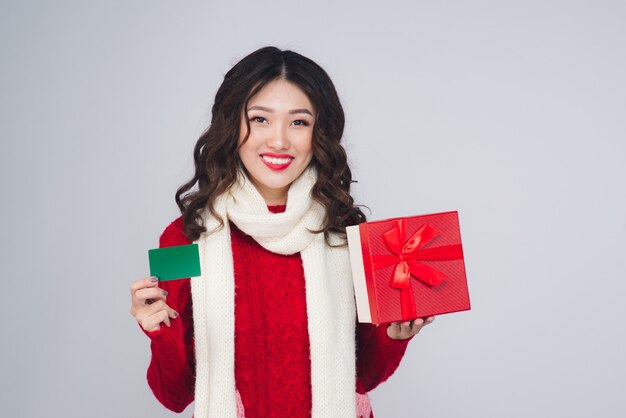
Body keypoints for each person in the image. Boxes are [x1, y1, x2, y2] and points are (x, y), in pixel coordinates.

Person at [129, 46, 434, 418]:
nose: (278, 140)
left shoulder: (349, 233)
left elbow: (363, 377)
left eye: (299, 122)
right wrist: (160, 331)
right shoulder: (180, 239)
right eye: (260, 119)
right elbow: (171, 396)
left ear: (320, 132)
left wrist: (393, 337)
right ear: (231, 124)